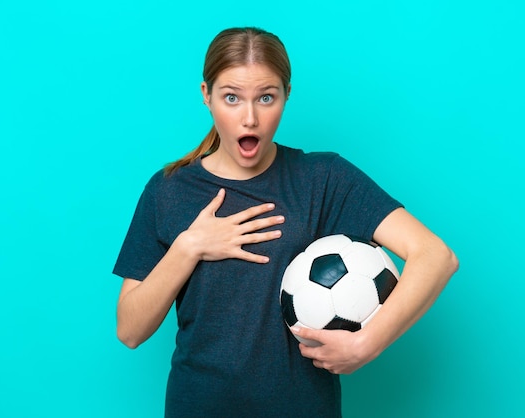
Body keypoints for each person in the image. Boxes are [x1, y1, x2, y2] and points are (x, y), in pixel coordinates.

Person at [113, 27, 459, 418]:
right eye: (231, 97)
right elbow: (130, 330)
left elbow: (436, 256)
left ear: (286, 95)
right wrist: (189, 246)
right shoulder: (169, 191)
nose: (250, 118)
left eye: (266, 97)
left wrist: (368, 344)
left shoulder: (322, 178)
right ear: (206, 96)